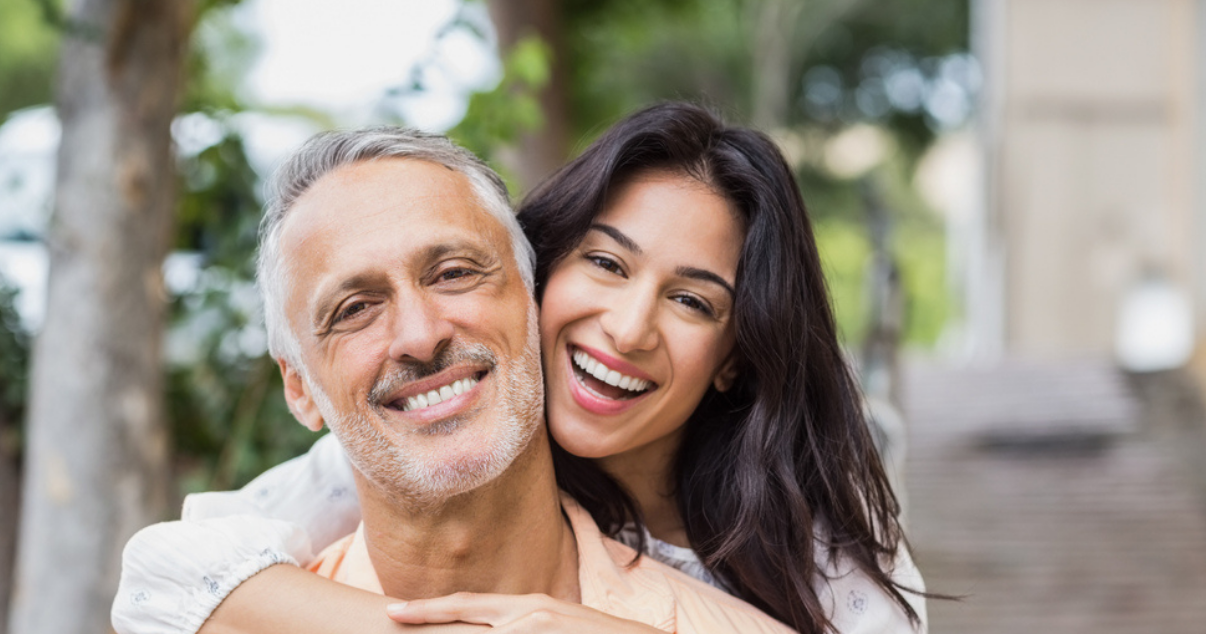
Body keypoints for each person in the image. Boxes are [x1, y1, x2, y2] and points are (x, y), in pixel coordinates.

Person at [114, 103, 927, 634]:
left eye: (693, 302)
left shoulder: (804, 553)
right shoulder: (374, 455)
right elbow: (163, 572)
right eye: (606, 264)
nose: (628, 327)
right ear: (544, 283)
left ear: (734, 361)